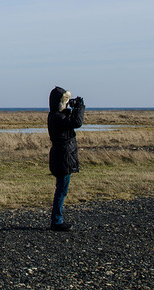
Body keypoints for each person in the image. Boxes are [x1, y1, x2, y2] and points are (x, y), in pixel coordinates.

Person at [47, 86, 85, 231]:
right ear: (60, 102)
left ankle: (57, 219)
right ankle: (57, 221)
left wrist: (73, 110)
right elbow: (76, 123)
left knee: (61, 189)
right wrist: (80, 108)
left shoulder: (55, 116)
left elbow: (70, 121)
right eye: (66, 100)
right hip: (63, 157)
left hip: (62, 156)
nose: (68, 103)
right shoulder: (57, 117)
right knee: (62, 190)